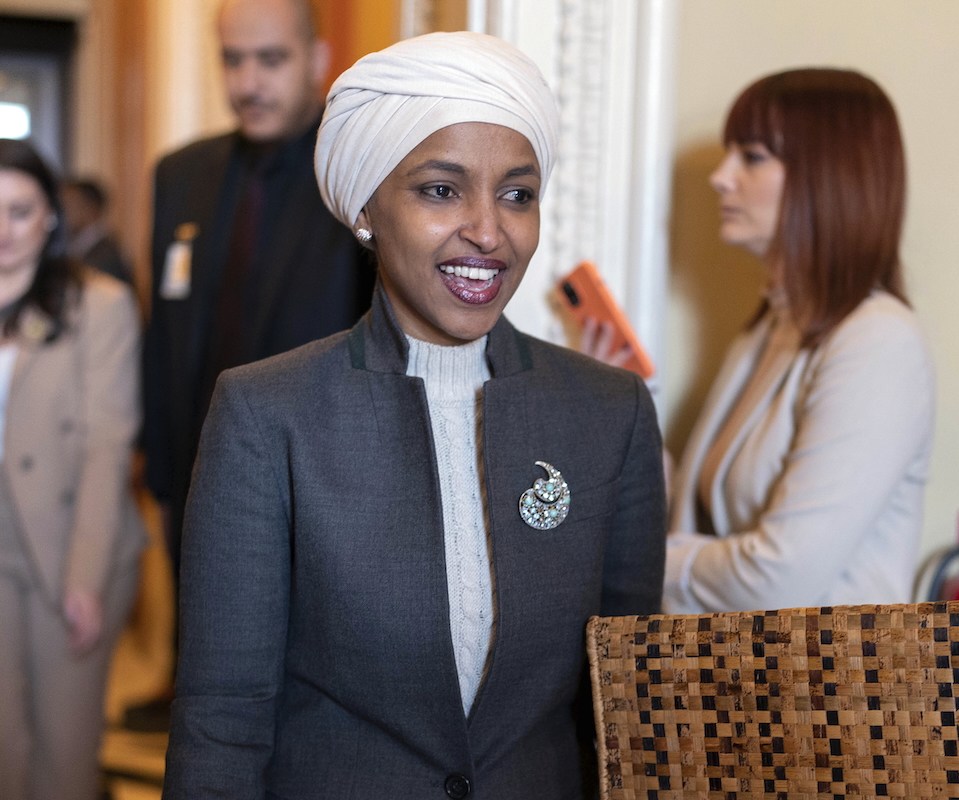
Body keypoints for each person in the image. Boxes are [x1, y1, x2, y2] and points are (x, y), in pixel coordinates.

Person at [162, 32, 665, 799]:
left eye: (517, 194)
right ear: (366, 207)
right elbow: (223, 721)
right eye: (441, 190)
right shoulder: (267, 415)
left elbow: (628, 713)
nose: (488, 231)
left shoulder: (609, 413)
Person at [660, 69, 936, 614]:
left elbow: (776, 582)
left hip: (826, 670)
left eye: (752, 157)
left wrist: (648, 560)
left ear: (827, 178)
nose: (720, 177)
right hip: (735, 665)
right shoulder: (767, 330)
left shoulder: (878, 341)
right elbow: (710, 524)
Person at [142, 0, 374, 576]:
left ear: (317, 59)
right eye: (233, 60)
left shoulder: (361, 175)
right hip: (197, 482)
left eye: (271, 60)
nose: (248, 84)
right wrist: (162, 483)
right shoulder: (181, 175)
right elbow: (164, 336)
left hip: (319, 494)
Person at [0, 139, 146, 799]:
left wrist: (84, 578)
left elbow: (105, 446)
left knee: (61, 753)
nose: (5, 230)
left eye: (20, 211)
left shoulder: (98, 304)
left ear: (50, 217)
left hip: (70, 545)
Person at [60, 178, 133, 284]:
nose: (63, 212)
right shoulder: (77, 245)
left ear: (91, 208)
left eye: (69, 204)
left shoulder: (106, 255)